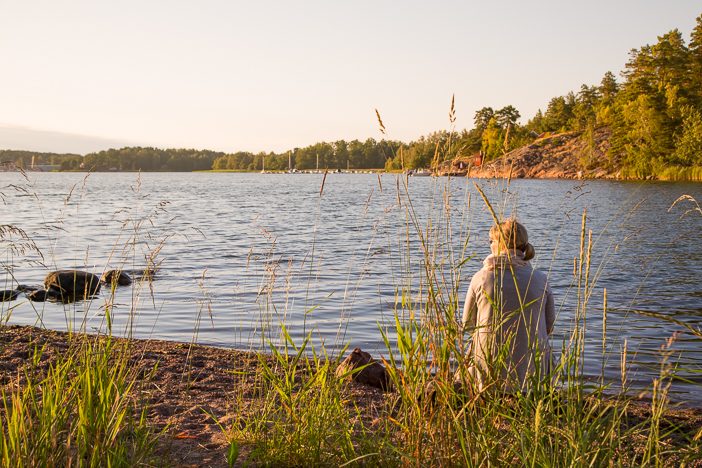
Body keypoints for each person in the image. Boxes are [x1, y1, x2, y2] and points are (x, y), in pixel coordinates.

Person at [458, 219, 555, 395]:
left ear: (498, 244)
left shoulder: (481, 277)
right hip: (532, 373)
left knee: (474, 345)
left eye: (491, 241)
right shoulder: (540, 279)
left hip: (487, 373)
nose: (490, 245)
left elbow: (467, 325)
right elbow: (549, 327)